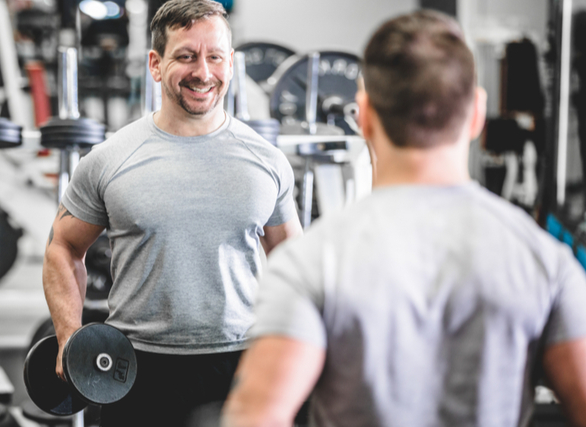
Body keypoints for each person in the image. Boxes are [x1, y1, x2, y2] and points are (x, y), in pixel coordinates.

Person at [223, 10, 586, 427]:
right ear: (477, 113)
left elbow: (256, 417)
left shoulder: (311, 262)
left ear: (365, 115)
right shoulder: (545, 261)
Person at [42, 0, 302, 425]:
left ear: (231, 63)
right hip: (135, 371)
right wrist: (69, 335)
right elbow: (62, 248)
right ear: (156, 64)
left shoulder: (267, 161)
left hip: (240, 366)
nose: (203, 72)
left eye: (214, 56)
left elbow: (292, 261)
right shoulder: (110, 159)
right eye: (185, 56)